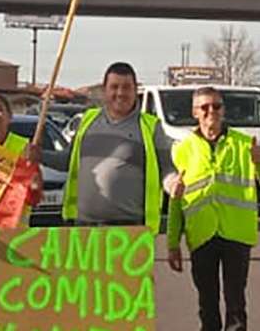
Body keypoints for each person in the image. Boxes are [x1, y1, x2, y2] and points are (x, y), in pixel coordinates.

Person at [168, 86, 260, 331]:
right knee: (206, 302)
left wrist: (259, 161)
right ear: (194, 113)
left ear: (223, 110)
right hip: (202, 233)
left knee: (234, 302)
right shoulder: (182, 148)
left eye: (216, 107)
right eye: (204, 108)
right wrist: (172, 243)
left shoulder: (244, 144)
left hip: (235, 233)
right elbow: (177, 199)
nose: (210, 113)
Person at [61, 62, 175, 230]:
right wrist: (38, 155)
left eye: (126, 87)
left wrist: (172, 183)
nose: (120, 93)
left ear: (135, 90)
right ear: (105, 90)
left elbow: (166, 168)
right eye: (114, 87)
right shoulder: (87, 121)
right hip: (84, 227)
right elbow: (67, 161)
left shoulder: (151, 127)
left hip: (129, 230)